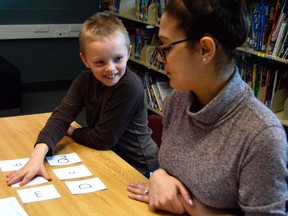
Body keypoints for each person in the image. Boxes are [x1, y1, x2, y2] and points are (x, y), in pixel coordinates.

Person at [127, 0, 288, 215]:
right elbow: (173, 168)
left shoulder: (262, 134)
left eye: (166, 47)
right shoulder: (179, 100)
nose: (158, 57)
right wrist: (158, 176)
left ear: (205, 49)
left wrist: (193, 207)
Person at [6, 12, 159, 186]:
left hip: (140, 167)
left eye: (118, 59)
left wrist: (71, 131)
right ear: (85, 60)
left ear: (129, 52)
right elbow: (61, 117)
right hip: (110, 156)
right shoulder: (83, 81)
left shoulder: (129, 85)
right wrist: (36, 157)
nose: (110, 69)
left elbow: (103, 139)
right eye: (100, 62)